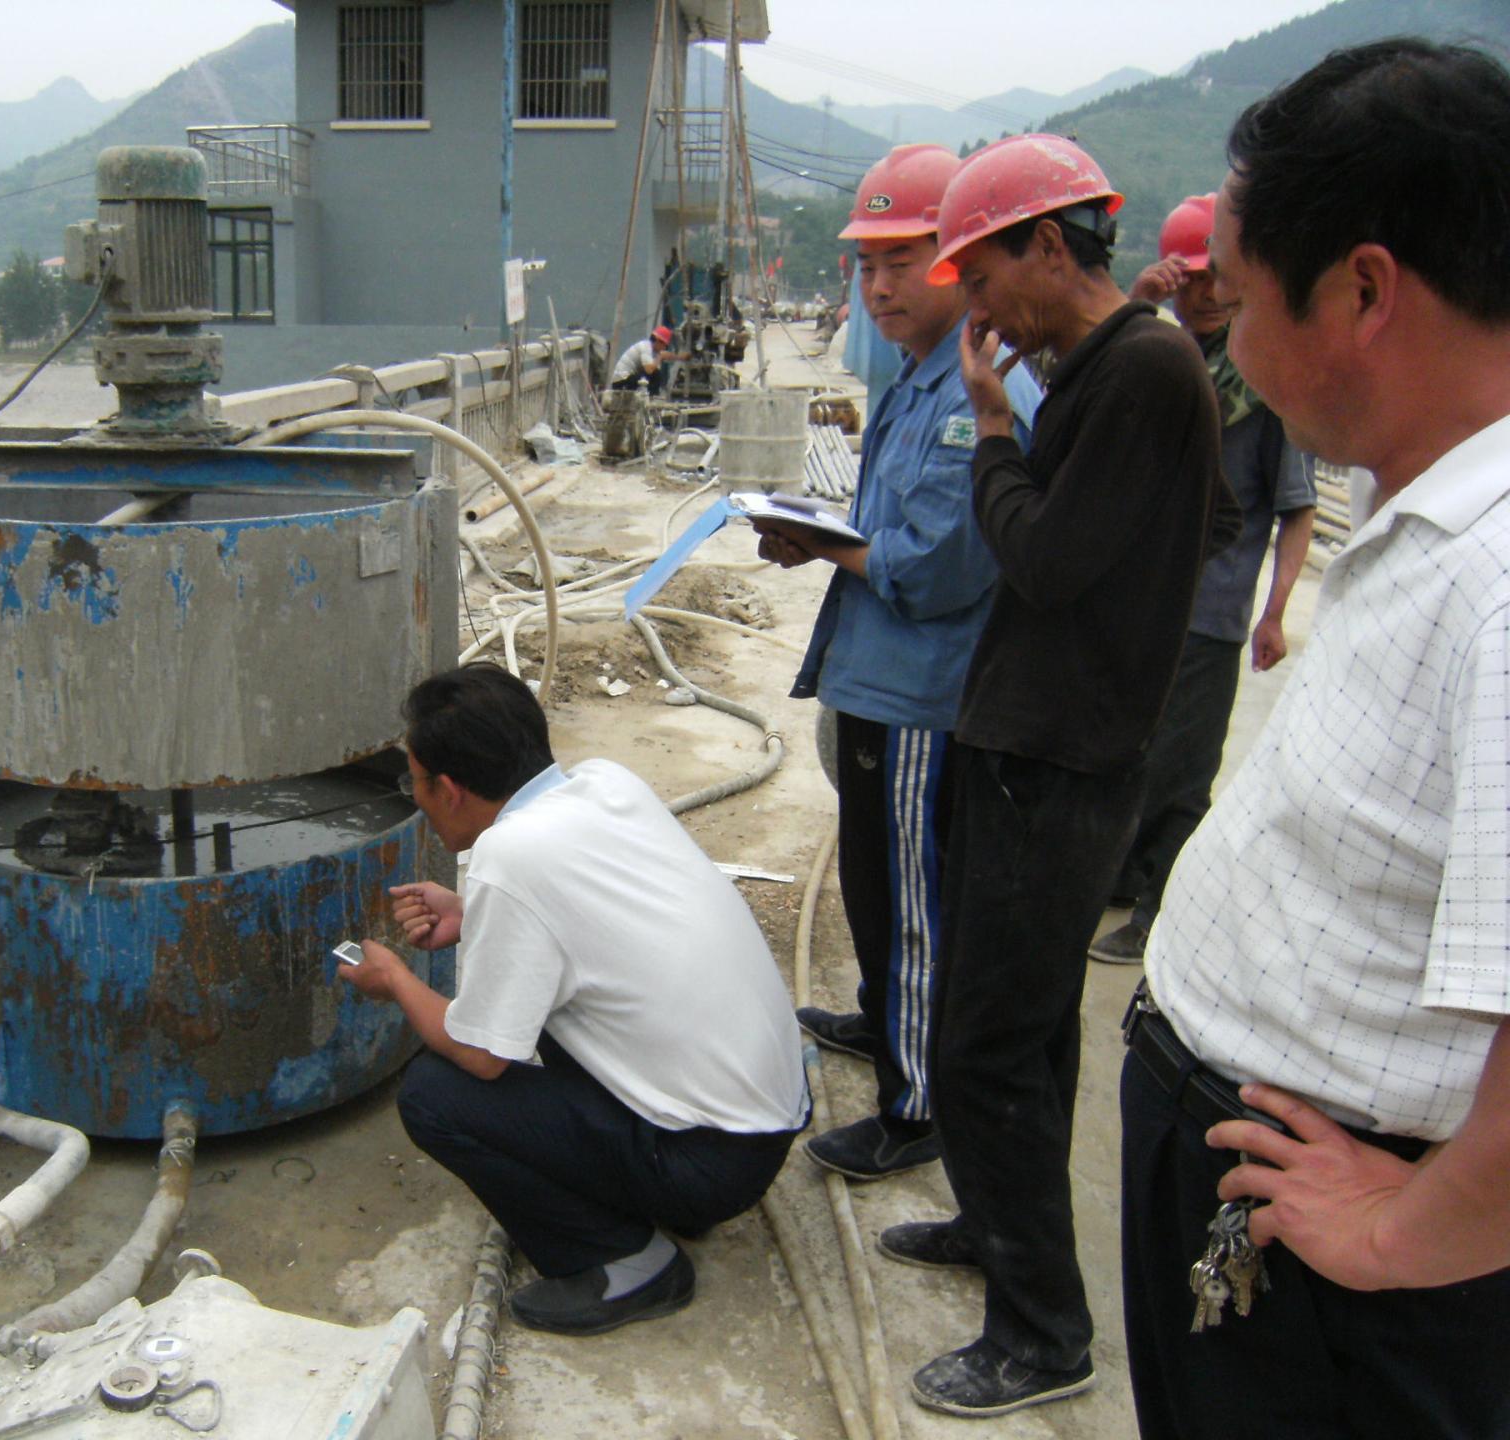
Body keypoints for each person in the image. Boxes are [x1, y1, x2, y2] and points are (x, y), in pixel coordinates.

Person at [1123, 40, 1510, 1439]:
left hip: (1333, 1269)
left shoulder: (1500, 578)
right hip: (1250, 1165)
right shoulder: (1427, 508)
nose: (1222, 339)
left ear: (1361, 290)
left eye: (1234, 296)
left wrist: (1408, 1233)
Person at [881, 133, 1233, 1417]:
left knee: (984, 1046)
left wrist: (990, 427)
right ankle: (997, 1222)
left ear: (1047, 245)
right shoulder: (1109, 369)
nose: (981, 313)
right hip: (1030, 747)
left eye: (983, 280)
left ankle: (1042, 1333)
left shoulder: (1143, 370)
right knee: (1021, 1032)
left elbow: (1042, 557)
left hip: (1061, 761)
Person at [337, 664, 808, 1336]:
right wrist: (474, 915)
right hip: (761, 1121)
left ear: (449, 789)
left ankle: (625, 1261)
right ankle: (655, 1189)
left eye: (413, 781)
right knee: (539, 1008)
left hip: (710, 1163)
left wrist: (395, 981)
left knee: (434, 1096)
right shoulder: (606, 783)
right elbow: (592, 918)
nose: (414, 795)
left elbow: (480, 1057)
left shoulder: (509, 856)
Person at [754, 144, 1041, 1183]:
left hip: (925, 695)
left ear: (959, 260)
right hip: (879, 679)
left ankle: (917, 1103)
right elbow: (889, 531)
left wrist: (828, 544)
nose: (877, 287)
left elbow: (935, 570)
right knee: (875, 886)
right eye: (865, 265)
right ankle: (885, 1021)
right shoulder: (919, 376)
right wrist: (820, 537)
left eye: (901, 262)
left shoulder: (977, 393)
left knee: (913, 901)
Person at [1090, 194, 1317, 965]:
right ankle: (1126, 878)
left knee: (1181, 773)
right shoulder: (1156, 360)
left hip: (1210, 614)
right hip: (1140, 603)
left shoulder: (1264, 386)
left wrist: (1274, 611)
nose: (1205, 295)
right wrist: (1135, 303)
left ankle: (1160, 912)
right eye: (1188, 281)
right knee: (1130, 755)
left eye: (1214, 280)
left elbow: (1295, 508)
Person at [609, 324, 676, 389]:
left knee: (655, 373)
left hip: (626, 378)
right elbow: (648, 370)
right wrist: (660, 357)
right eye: (665, 345)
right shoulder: (646, 346)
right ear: (658, 341)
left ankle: (651, 393)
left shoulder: (651, 350)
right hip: (621, 380)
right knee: (655, 374)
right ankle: (652, 394)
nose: (664, 348)